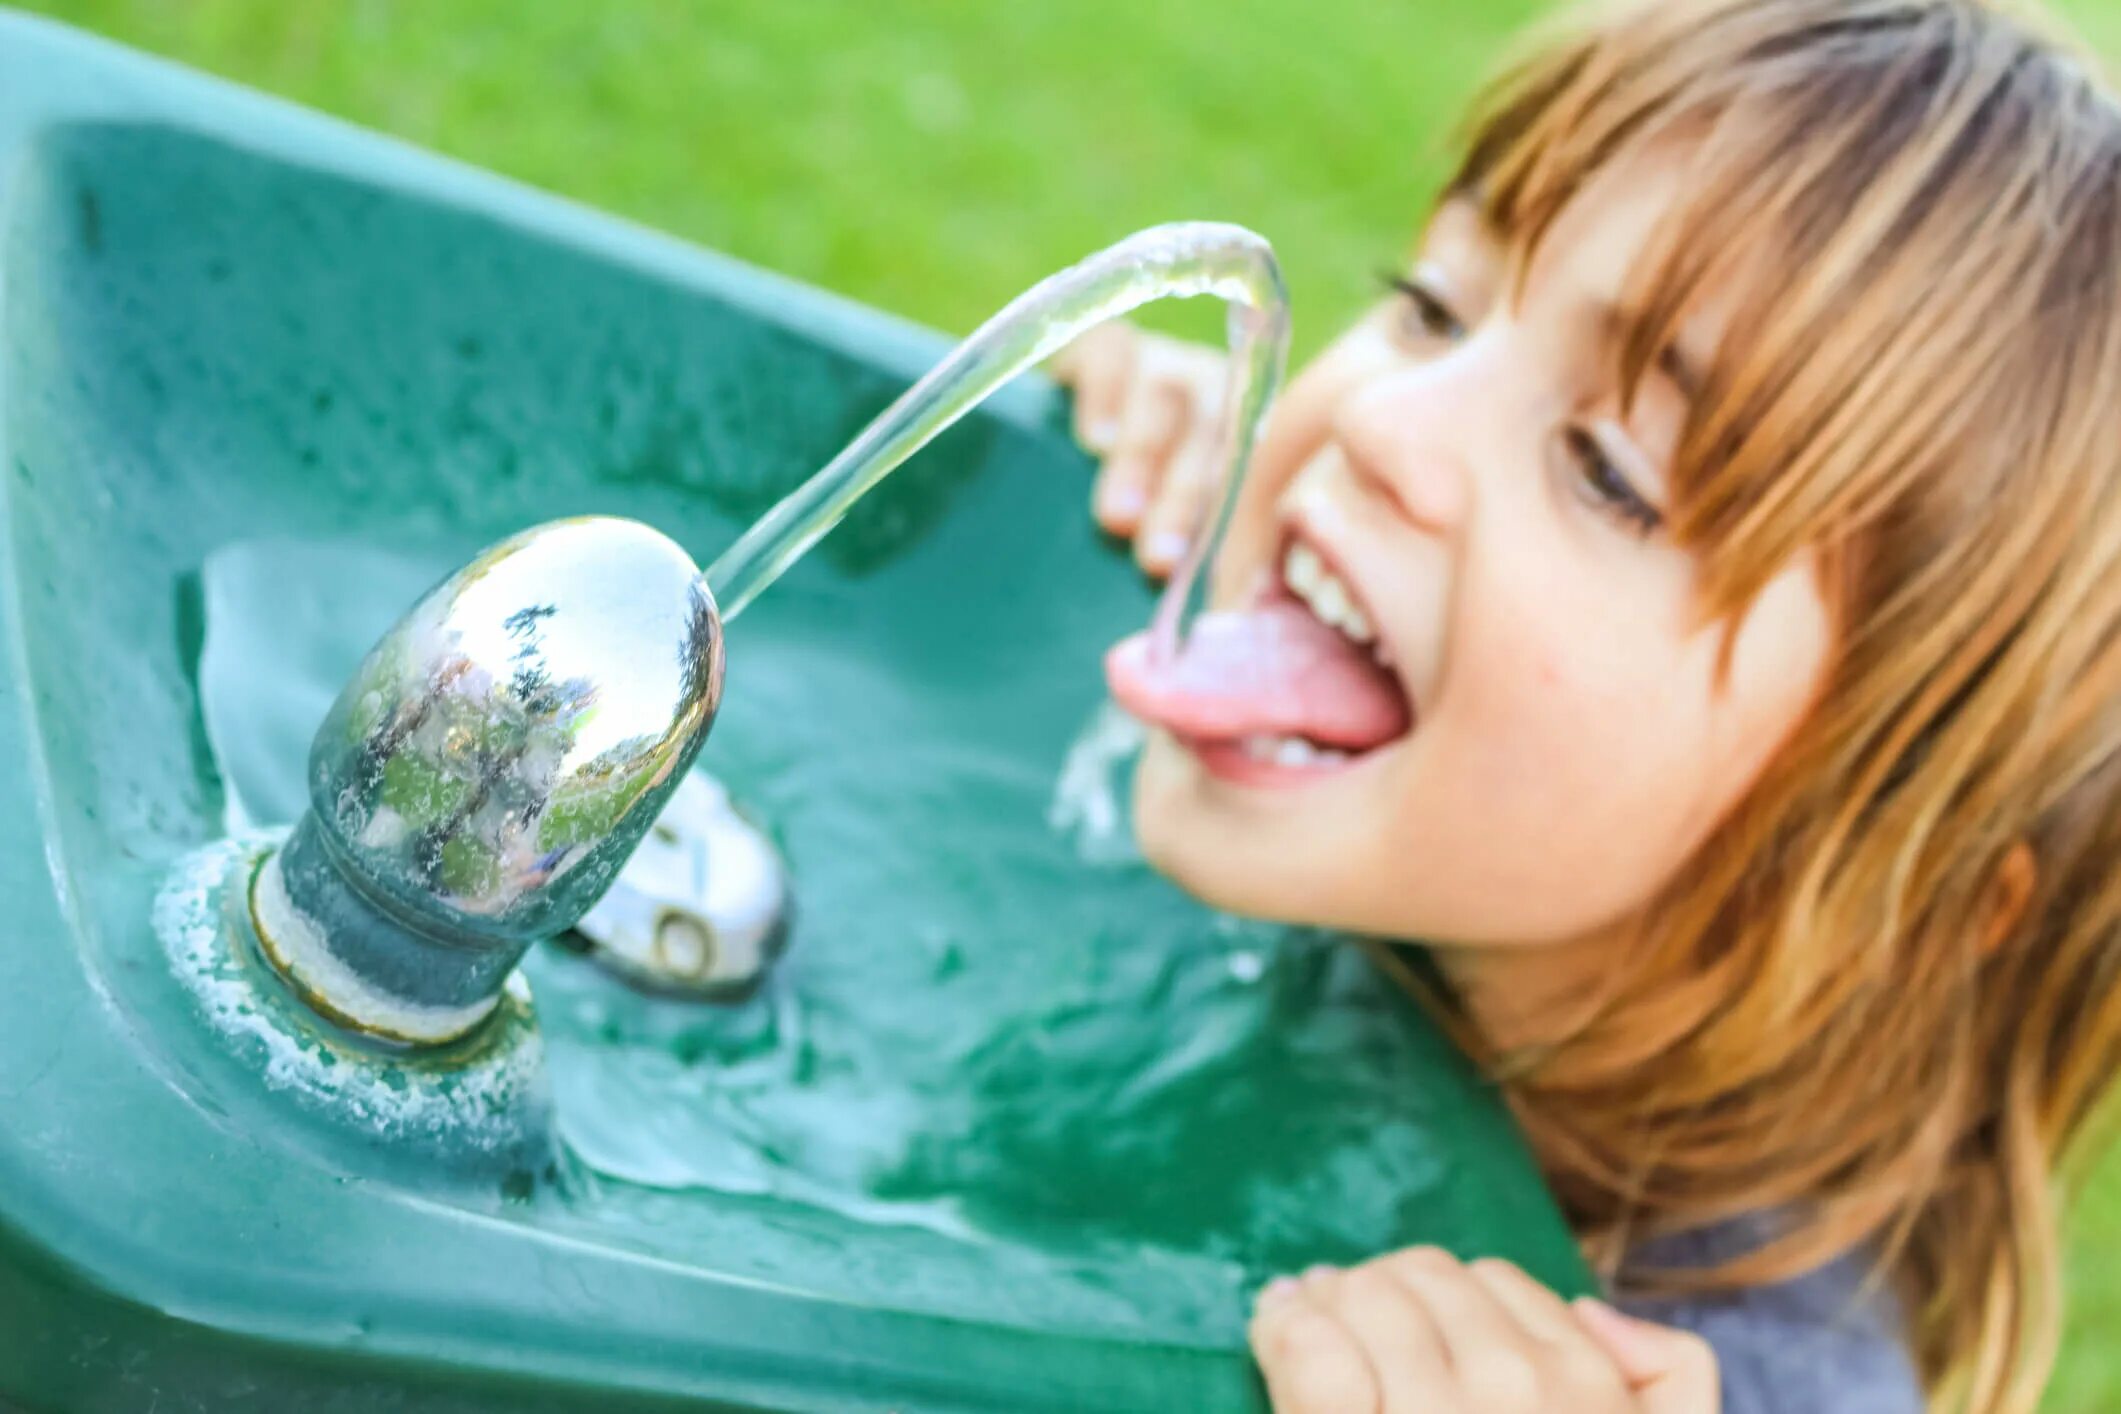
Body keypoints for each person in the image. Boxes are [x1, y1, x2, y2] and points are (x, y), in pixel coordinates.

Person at [1050, 1, 2121, 1409]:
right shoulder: (1442, 912)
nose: (1385, 421)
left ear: (1883, 895)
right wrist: (1170, 478)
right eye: (1433, 302)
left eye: (1610, 469)